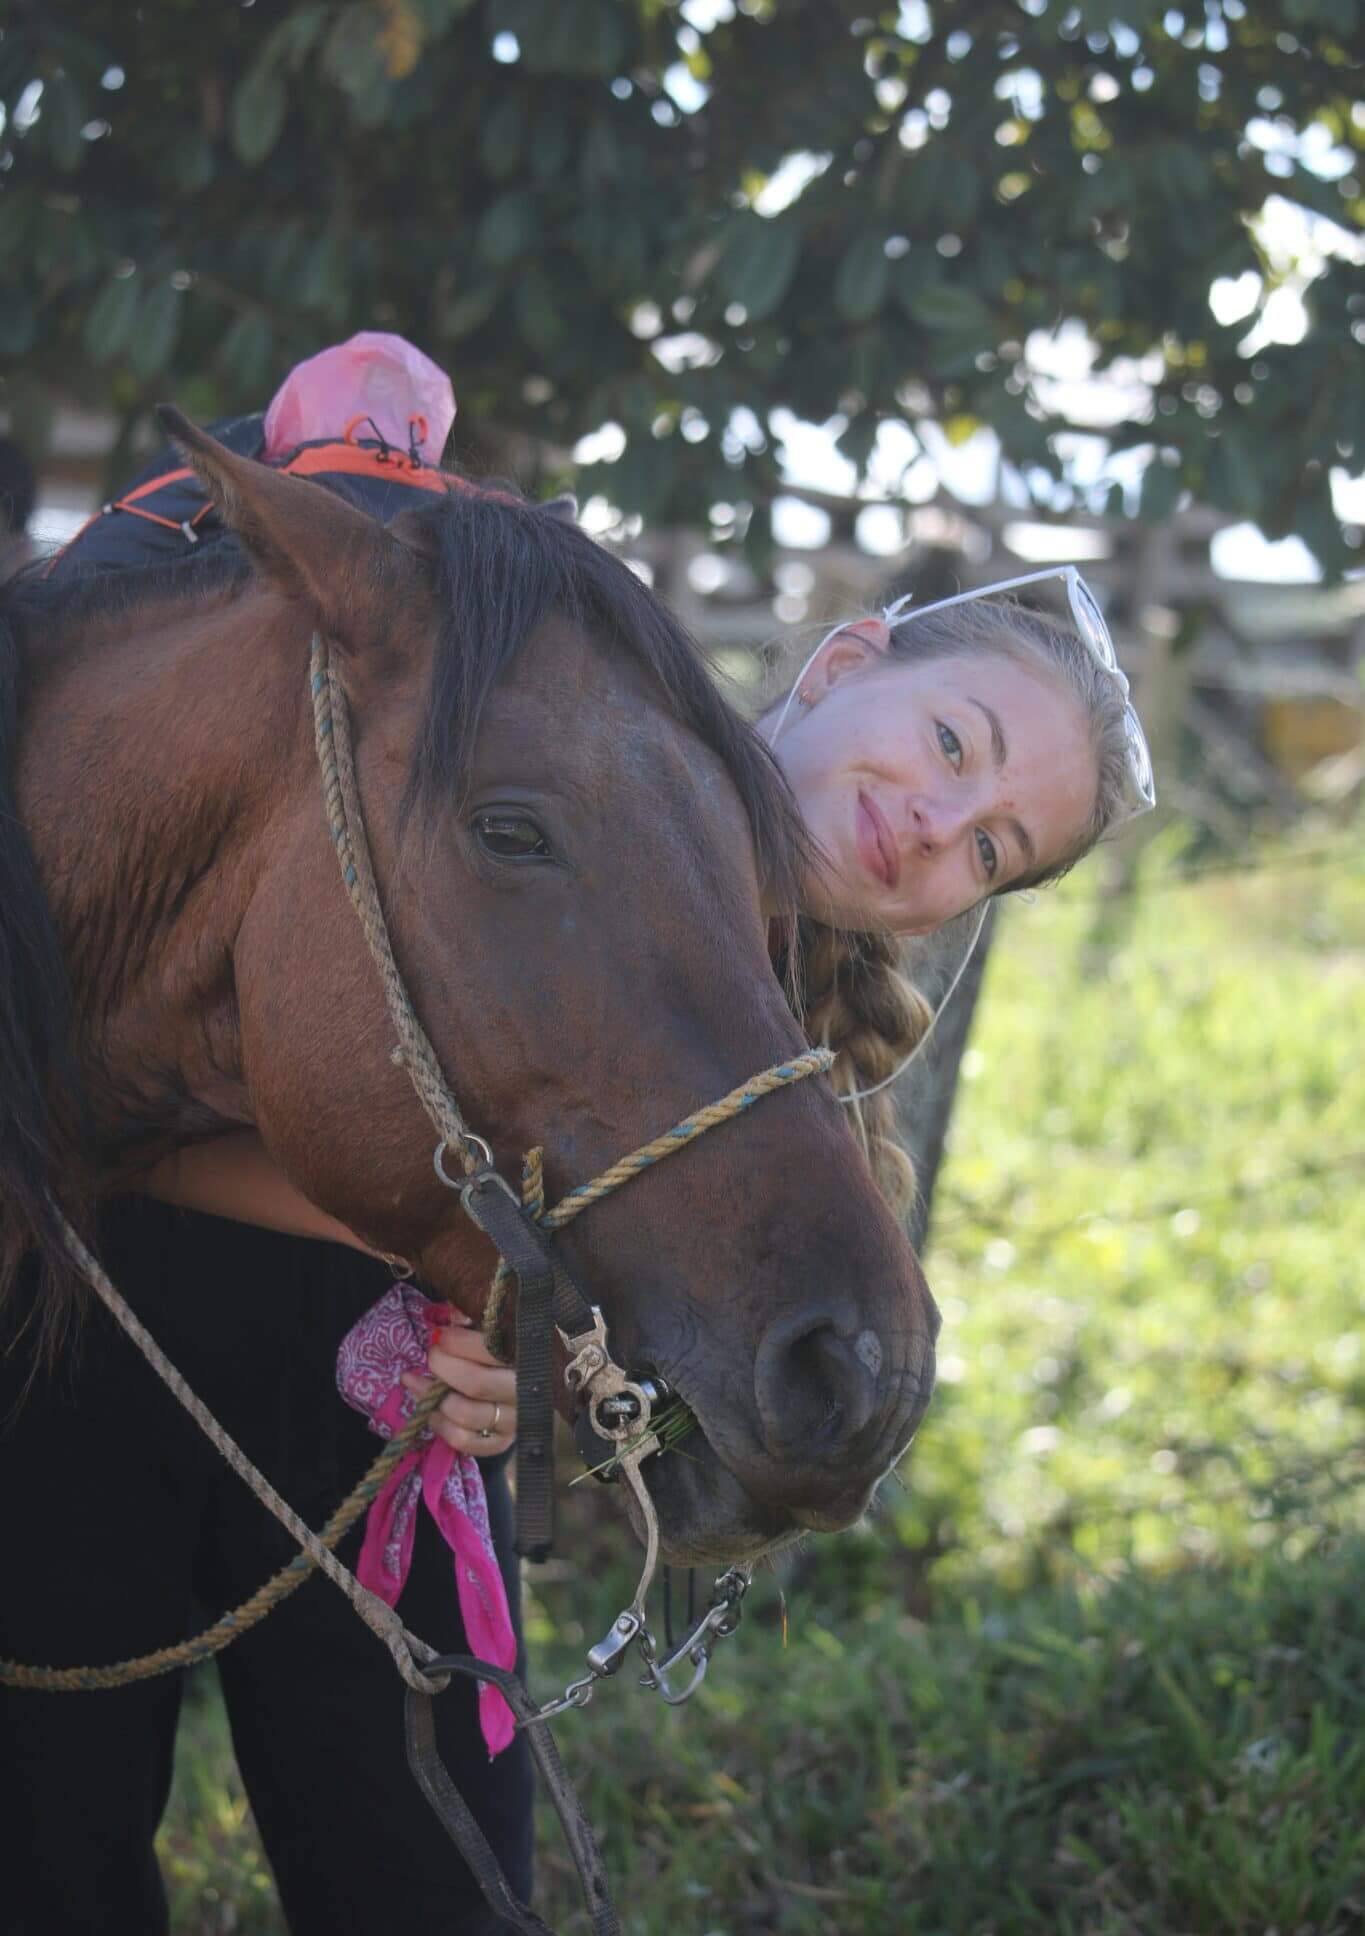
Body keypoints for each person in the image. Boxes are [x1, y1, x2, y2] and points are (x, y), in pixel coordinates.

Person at [1, 337, 1152, 1935]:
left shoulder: (795, 1037)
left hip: (382, 1421)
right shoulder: (563, 735)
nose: (934, 822)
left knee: (431, 1874)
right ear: (842, 662)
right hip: (117, 1311)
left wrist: (531, 1345)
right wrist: (496, 1273)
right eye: (953, 747)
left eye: (994, 847)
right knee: (52, 1838)